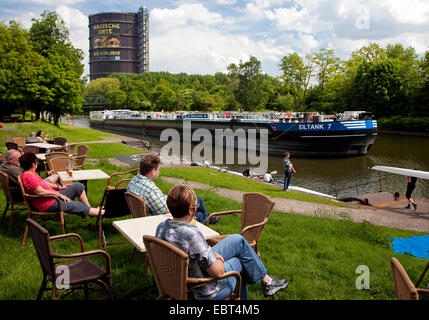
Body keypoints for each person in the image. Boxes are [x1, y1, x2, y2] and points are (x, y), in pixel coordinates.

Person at [156, 185, 289, 300]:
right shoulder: (192, 235)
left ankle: (267, 280)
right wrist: (217, 261)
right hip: (203, 291)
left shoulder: (162, 226)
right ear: (191, 211)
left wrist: (213, 257)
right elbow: (218, 273)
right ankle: (265, 284)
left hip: (178, 281)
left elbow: (195, 254)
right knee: (238, 261)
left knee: (238, 240)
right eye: (195, 207)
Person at [127, 154, 218, 224]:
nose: (159, 172)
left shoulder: (134, 180)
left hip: (144, 217)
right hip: (161, 220)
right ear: (153, 171)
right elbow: (167, 212)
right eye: (158, 169)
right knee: (199, 213)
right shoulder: (150, 190)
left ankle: (207, 217)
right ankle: (206, 219)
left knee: (197, 198)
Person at [18, 152, 103, 218]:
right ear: (33, 164)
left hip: (51, 197)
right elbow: (40, 192)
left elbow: (42, 183)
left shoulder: (31, 173)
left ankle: (91, 210)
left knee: (78, 186)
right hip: (48, 203)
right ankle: (101, 212)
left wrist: (58, 187)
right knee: (78, 205)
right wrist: (58, 194)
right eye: (36, 162)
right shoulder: (28, 177)